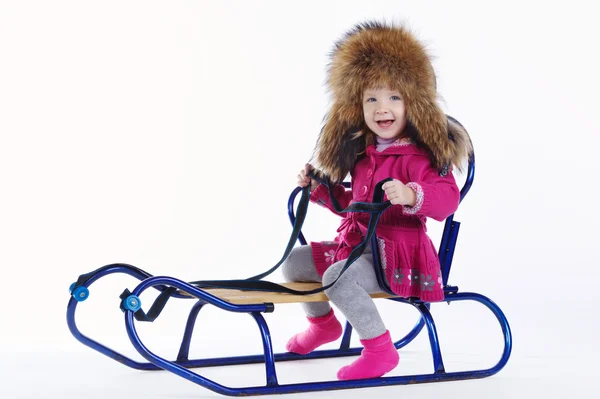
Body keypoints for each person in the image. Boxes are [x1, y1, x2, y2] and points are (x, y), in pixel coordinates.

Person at [281, 21, 473, 380]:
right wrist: (318, 189)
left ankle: (380, 350)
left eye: (394, 97)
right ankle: (323, 326)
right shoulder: (365, 153)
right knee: (295, 264)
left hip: (396, 256)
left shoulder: (421, 155)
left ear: (412, 103)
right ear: (358, 105)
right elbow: (354, 203)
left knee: (338, 277)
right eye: (371, 98)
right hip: (356, 247)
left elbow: (448, 200)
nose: (382, 108)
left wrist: (412, 194)